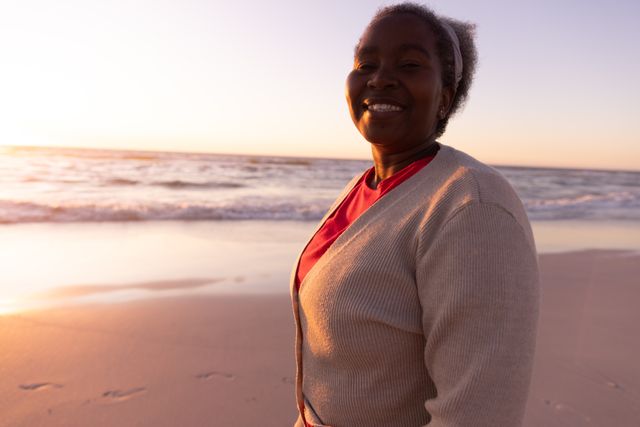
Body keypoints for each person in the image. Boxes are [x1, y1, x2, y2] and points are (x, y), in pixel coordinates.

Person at [290, 3, 540, 426]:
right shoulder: (363, 188)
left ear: (445, 97)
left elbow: (478, 415)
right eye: (366, 63)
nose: (381, 78)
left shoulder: (472, 206)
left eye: (408, 64)